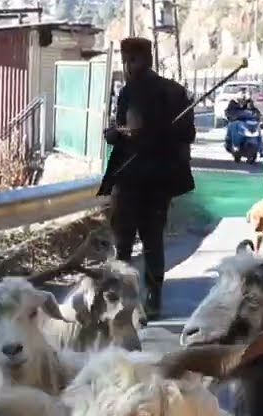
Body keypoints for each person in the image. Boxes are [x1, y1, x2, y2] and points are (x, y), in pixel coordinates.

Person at [97, 37, 195, 321]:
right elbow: (187, 135)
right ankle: (148, 300)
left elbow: (125, 133)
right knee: (150, 242)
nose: (127, 66)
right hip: (154, 182)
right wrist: (122, 133)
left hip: (134, 180)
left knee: (126, 243)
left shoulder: (137, 92)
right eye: (126, 61)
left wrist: (121, 134)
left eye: (130, 60)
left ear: (143, 59)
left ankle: (125, 301)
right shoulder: (173, 91)